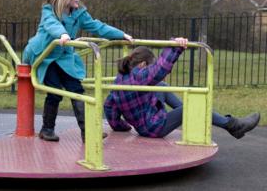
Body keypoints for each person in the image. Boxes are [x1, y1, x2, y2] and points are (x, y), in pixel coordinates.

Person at [22, 0, 133, 143]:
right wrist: (63, 34)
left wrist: (120, 34)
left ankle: (88, 132)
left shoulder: (79, 13)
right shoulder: (49, 11)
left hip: (64, 57)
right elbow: (52, 24)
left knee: (76, 90)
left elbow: (97, 26)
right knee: (55, 92)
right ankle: (47, 129)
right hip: (46, 56)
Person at [104, 37, 260, 139]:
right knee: (194, 105)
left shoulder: (119, 81)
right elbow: (159, 70)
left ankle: (185, 110)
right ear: (143, 64)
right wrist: (175, 46)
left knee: (161, 85)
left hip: (144, 123)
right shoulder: (138, 77)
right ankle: (233, 125)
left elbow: (109, 108)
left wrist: (122, 126)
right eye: (149, 65)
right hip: (154, 128)